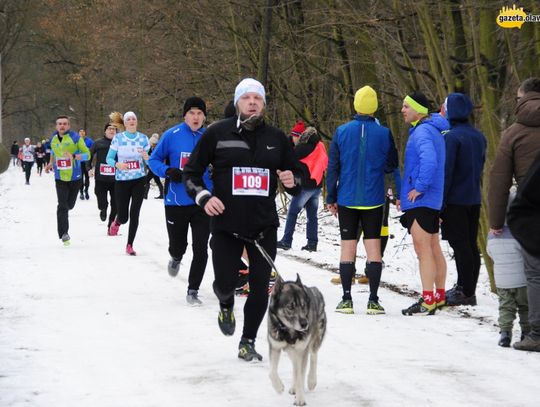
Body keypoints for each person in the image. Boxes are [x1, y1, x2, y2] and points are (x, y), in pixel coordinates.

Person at [183, 78, 301, 361]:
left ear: (263, 104)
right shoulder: (217, 133)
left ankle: (247, 341)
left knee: (260, 288)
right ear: (237, 102)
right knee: (225, 283)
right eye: (246, 97)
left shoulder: (276, 138)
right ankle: (225, 302)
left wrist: (292, 180)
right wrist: (204, 198)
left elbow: (299, 176)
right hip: (226, 225)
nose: (252, 102)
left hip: (263, 227)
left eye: (257, 98)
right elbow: (191, 173)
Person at [326, 86, 401, 315]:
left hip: (347, 198)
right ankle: (373, 300)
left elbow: (333, 168)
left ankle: (347, 299)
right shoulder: (385, 133)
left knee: (348, 247)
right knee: (373, 248)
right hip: (374, 200)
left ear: (356, 106)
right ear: (374, 107)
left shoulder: (341, 132)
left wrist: (331, 196)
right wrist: (396, 191)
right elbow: (392, 166)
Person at [149, 97, 211, 305]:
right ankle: (175, 257)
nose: (196, 117)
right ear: (185, 115)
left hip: (203, 203)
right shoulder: (172, 135)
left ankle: (193, 290)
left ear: (204, 116)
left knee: (201, 248)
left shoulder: (210, 137)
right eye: (192, 113)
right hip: (176, 202)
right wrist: (167, 171)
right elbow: (153, 160)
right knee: (178, 246)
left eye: (199, 113)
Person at [399, 91, 449, 316]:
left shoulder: (422, 133)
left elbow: (429, 161)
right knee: (433, 247)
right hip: (432, 199)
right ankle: (438, 295)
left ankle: (428, 299)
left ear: (418, 110)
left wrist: (418, 187)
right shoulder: (432, 129)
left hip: (422, 199)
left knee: (423, 250)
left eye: (406, 106)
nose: (402, 110)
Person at [440, 93, 487, 306]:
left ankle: (465, 291)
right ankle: (466, 287)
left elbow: (447, 172)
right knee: (469, 244)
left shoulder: (451, 137)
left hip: (456, 200)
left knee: (460, 245)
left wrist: (440, 204)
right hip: (473, 198)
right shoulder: (479, 137)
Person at [487, 189, 529, 347]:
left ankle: (505, 333)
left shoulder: (492, 235)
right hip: (521, 280)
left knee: (505, 307)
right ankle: (526, 332)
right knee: (525, 307)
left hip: (502, 281)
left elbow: (490, 253)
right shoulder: (520, 233)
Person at [277, 124, 328, 252]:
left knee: (292, 213)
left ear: (300, 136)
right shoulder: (319, 145)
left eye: (294, 136)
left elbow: (288, 159)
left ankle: (286, 241)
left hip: (305, 187)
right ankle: (312, 243)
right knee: (312, 215)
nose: (292, 138)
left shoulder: (302, 149)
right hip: (316, 186)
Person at [508, 151, 540, 352]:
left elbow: (499, 178)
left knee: (536, 275)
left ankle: (537, 333)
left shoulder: (515, 134)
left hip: (532, 221)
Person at [106, 111, 150, 255]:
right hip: (122, 181)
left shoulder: (143, 139)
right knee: (124, 217)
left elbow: (150, 160)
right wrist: (117, 164)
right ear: (124, 123)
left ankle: (129, 245)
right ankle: (117, 222)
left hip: (139, 179)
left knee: (135, 213)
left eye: (134, 119)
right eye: (128, 119)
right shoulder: (118, 138)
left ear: (136, 122)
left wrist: (146, 157)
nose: (131, 121)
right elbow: (109, 159)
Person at [44, 116, 90, 245]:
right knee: (62, 205)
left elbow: (88, 154)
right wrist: (50, 163)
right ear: (56, 126)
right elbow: (54, 153)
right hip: (60, 177)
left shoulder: (76, 138)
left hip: (75, 178)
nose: (62, 126)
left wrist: (74, 156)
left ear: (69, 125)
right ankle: (64, 233)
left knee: (69, 205)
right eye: (59, 124)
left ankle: (66, 212)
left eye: (64, 124)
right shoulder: (53, 139)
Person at [90, 122, 118, 232]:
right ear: (105, 131)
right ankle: (103, 208)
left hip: (116, 178)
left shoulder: (120, 144)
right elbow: (89, 155)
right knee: (101, 200)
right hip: (101, 178)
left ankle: (110, 226)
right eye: (109, 129)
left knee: (116, 203)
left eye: (114, 129)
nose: (112, 131)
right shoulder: (98, 143)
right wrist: (88, 168)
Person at [144, 133, 164, 199]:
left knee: (146, 180)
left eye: (152, 143)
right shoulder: (152, 148)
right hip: (154, 166)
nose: (151, 144)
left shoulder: (157, 148)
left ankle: (145, 195)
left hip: (154, 167)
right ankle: (162, 195)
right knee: (157, 180)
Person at [78, 129, 94, 200]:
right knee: (80, 178)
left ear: (85, 133)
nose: (82, 132)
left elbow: (93, 149)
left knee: (87, 178)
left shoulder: (89, 140)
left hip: (87, 162)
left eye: (83, 131)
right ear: (78, 133)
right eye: (80, 131)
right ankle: (81, 192)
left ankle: (86, 191)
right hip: (79, 162)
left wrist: (88, 150)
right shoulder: (76, 141)